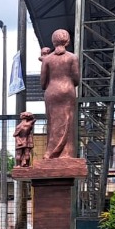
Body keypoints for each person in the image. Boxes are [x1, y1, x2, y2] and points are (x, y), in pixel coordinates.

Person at [40, 29, 80, 159]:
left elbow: (42, 83)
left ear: (53, 42)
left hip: (52, 91)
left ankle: (51, 152)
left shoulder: (47, 59)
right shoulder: (73, 57)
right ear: (67, 41)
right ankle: (66, 154)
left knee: (53, 121)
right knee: (68, 120)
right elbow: (76, 79)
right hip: (67, 90)